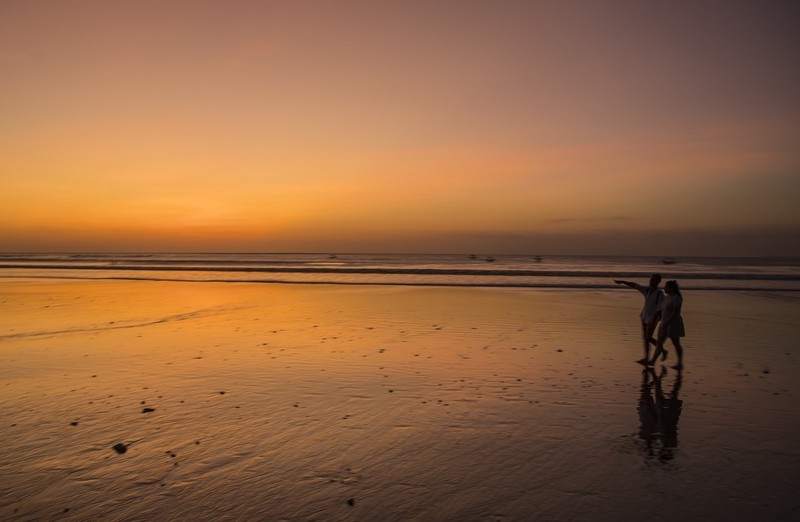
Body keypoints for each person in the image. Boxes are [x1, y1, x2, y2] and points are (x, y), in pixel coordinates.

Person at [614, 274, 664, 364]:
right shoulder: (647, 290)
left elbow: (659, 309)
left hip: (652, 318)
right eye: (651, 279)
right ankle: (646, 357)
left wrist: (654, 320)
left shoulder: (660, 294)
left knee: (648, 337)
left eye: (653, 280)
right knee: (645, 338)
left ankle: (662, 350)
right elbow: (635, 285)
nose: (650, 281)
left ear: (658, 282)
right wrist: (623, 282)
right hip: (644, 316)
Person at [650, 280, 685, 369]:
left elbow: (675, 312)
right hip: (664, 323)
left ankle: (679, 363)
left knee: (676, 343)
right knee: (659, 342)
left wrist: (667, 322)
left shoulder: (676, 298)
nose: (664, 288)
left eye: (666, 287)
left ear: (671, 288)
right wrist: (658, 320)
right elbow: (662, 310)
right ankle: (653, 361)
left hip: (673, 323)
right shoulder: (667, 297)